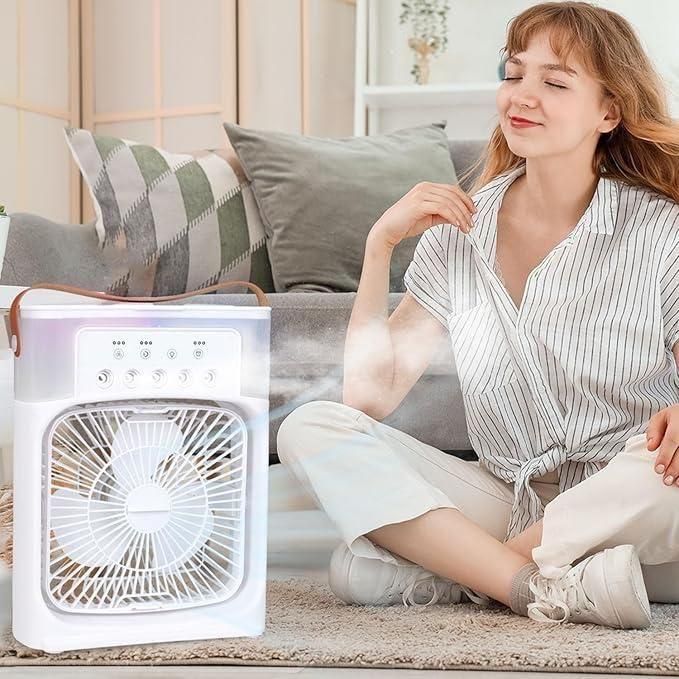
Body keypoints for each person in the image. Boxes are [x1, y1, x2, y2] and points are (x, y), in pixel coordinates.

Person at [276, 1, 679, 629]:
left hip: (633, 499)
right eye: (515, 74)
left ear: (609, 110)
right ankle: (531, 586)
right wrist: (378, 247)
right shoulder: (456, 231)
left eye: (554, 81)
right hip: (506, 497)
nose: (523, 96)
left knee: (356, 572)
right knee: (311, 426)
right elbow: (367, 397)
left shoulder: (661, 229)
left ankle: (471, 575)